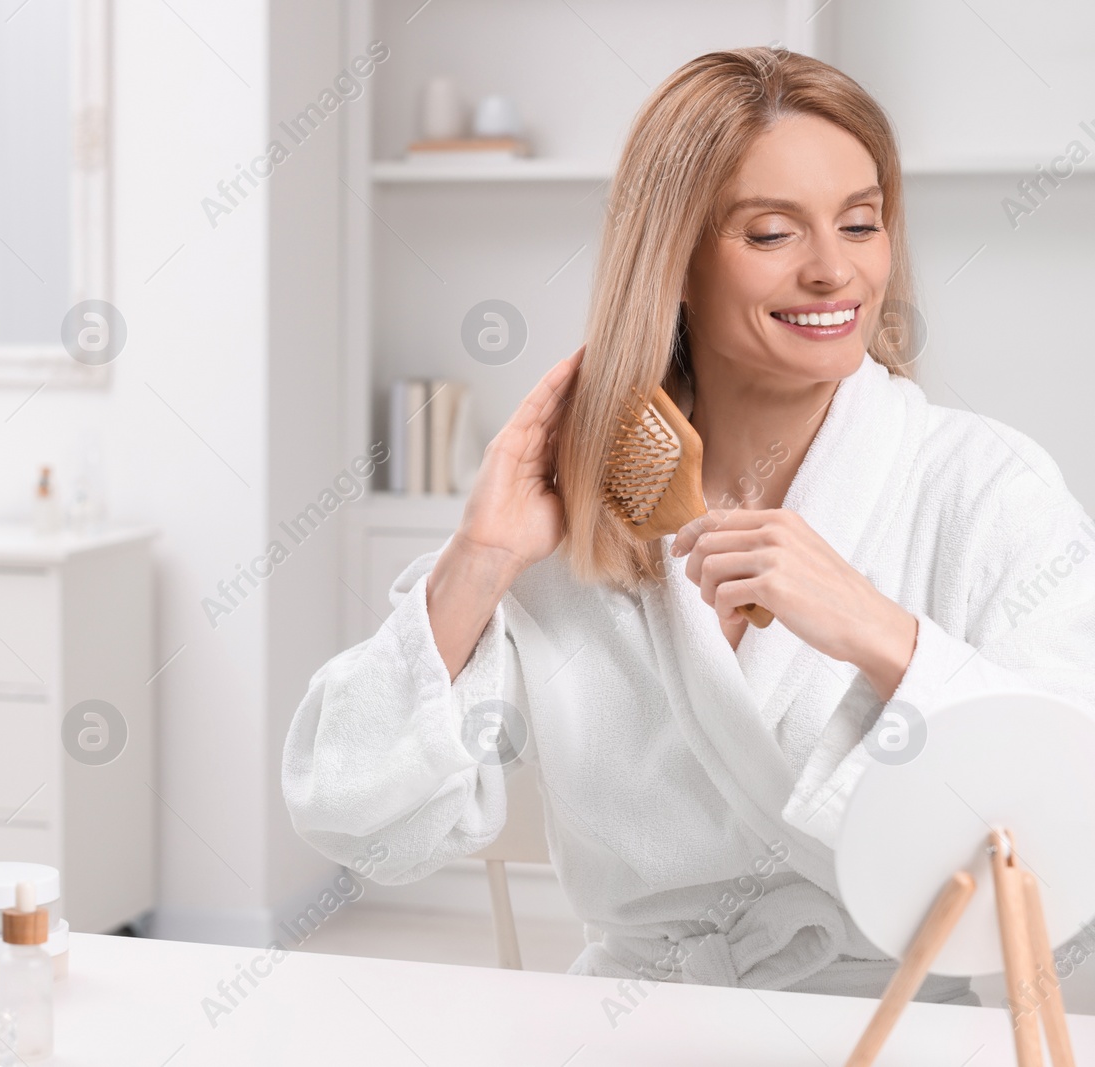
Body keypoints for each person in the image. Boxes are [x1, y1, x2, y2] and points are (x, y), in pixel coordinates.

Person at [282, 46, 1095, 1002]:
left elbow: (1071, 823)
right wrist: (479, 561)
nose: (835, 271)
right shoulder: (580, 516)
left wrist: (881, 634)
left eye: (862, 224)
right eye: (770, 234)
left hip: (895, 1025)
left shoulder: (983, 488)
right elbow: (352, 816)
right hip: (643, 1016)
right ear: (671, 258)